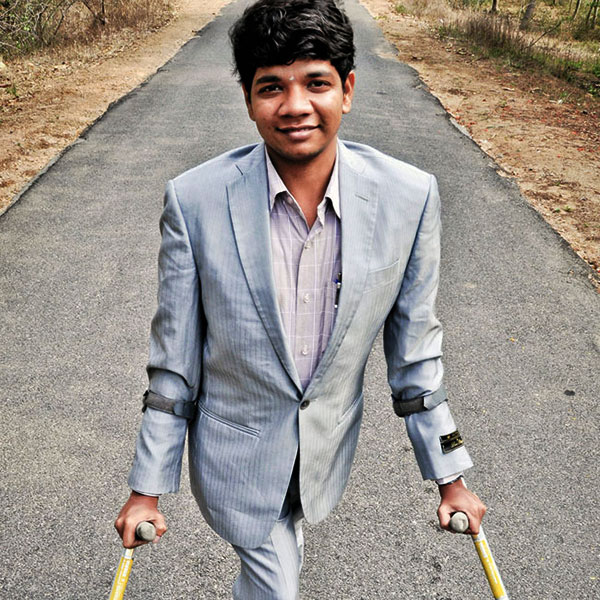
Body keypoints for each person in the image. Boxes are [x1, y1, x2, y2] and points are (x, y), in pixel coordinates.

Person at [115, 0, 486, 597]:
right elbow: (173, 367)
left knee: (284, 544)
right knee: (276, 583)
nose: (294, 106)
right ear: (248, 99)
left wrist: (451, 477)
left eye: (316, 83)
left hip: (323, 458)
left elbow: (415, 358)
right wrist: (146, 488)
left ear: (347, 89)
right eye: (271, 87)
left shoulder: (410, 198)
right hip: (234, 460)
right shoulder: (194, 201)